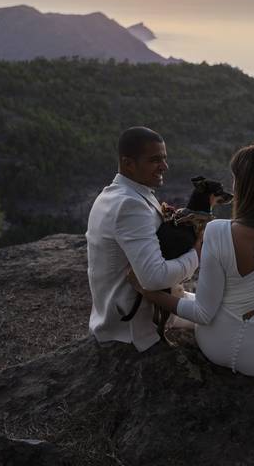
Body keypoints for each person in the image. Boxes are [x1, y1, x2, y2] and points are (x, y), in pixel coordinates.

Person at [130, 143, 254, 387]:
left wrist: (147, 291)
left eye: (235, 179)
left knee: (195, 300)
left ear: (243, 186)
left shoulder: (218, 232)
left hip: (216, 346)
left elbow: (203, 313)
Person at [86, 127, 200, 351]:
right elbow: (154, 278)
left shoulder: (114, 194)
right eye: (155, 160)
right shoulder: (130, 205)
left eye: (164, 159)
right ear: (128, 163)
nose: (164, 167)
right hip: (136, 322)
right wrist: (196, 253)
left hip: (125, 309)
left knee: (226, 304)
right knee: (228, 317)